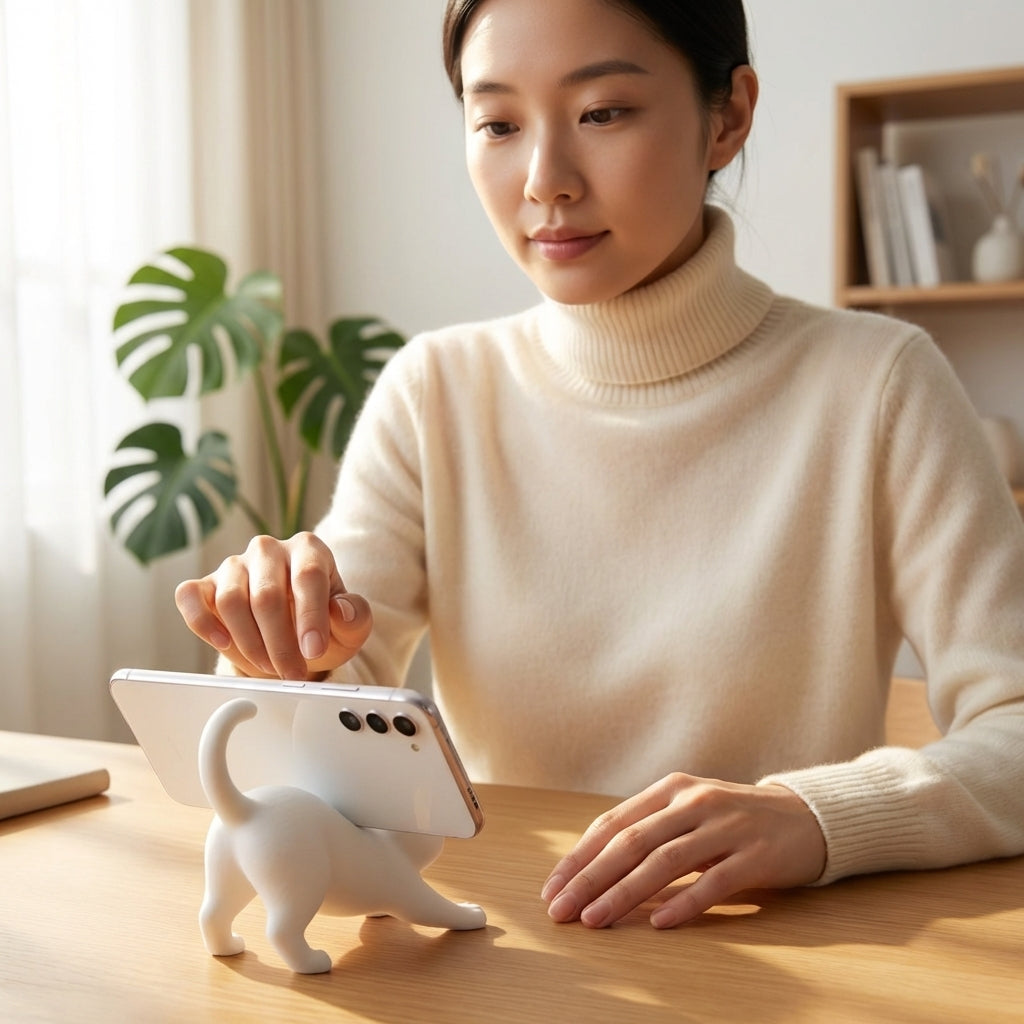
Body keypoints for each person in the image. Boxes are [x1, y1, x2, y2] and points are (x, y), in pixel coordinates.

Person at [175, 0, 1024, 931]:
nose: (545, 182)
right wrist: (283, 652)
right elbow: (317, 725)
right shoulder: (437, 391)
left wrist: (817, 817)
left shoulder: (881, 386)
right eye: (497, 123)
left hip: (770, 954)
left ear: (728, 116)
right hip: (504, 947)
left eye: (603, 113)